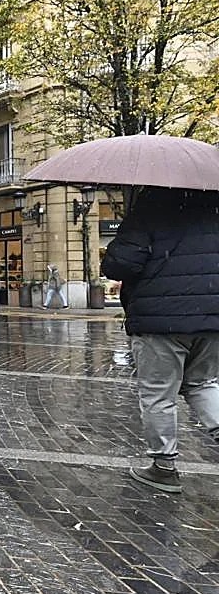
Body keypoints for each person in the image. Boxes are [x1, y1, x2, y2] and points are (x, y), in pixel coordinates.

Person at [101, 187, 219, 494]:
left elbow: (120, 265)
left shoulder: (153, 203)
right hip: (213, 315)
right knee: (203, 383)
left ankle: (164, 468)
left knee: (158, 394)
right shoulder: (214, 203)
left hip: (160, 318)